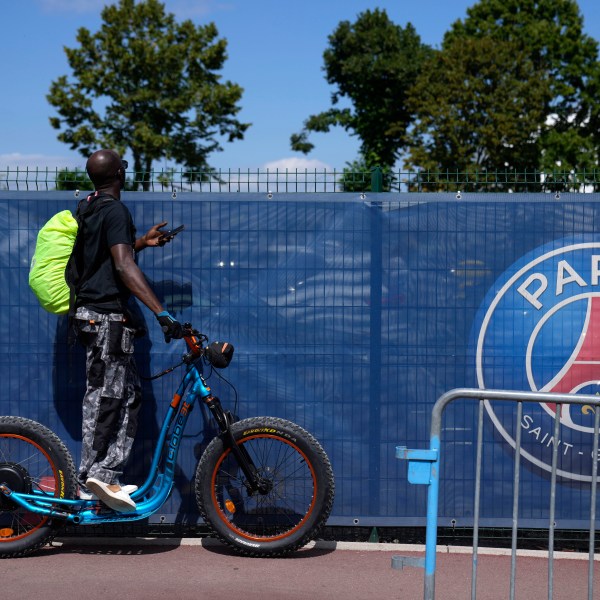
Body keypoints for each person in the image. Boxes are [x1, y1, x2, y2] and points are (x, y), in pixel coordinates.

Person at [72, 148, 183, 512]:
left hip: (94, 315)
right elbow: (121, 266)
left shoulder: (90, 207)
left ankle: (105, 476)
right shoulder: (115, 210)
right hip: (106, 319)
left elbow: (105, 258)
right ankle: (94, 478)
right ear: (119, 172)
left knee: (128, 397)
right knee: (107, 398)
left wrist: (141, 243)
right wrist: (161, 313)